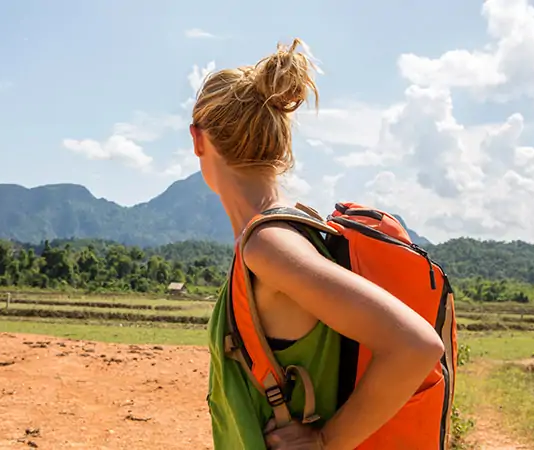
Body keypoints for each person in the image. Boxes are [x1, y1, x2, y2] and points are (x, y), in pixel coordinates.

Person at [190, 38, 445, 450]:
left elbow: (416, 346)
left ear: (197, 140)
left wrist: (327, 441)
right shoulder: (297, 230)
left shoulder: (270, 246)